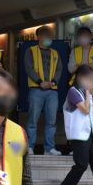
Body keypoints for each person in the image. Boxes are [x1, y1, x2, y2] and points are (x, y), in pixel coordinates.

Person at [25, 26, 63, 156]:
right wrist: (40, 82)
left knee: (51, 121)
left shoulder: (55, 53)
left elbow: (59, 70)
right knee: (32, 120)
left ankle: (49, 148)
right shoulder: (30, 51)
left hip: (52, 90)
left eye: (50, 36)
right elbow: (29, 68)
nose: (48, 38)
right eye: (45, 35)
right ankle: (29, 146)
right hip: (36, 89)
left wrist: (53, 82)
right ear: (39, 37)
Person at [68, 26, 93, 146]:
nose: (83, 38)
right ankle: (77, 147)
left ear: (91, 37)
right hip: (78, 88)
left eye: (86, 36)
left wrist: (79, 66)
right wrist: (89, 64)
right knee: (77, 117)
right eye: (81, 36)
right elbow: (70, 68)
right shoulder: (74, 51)